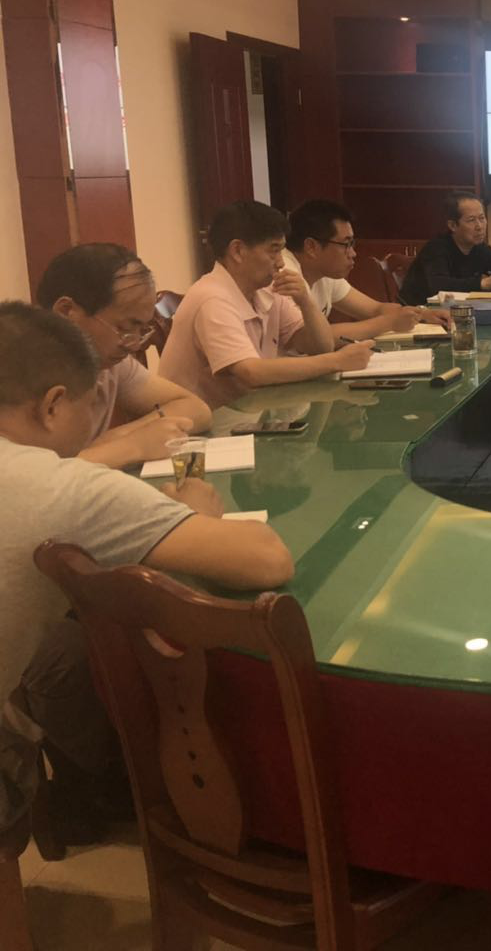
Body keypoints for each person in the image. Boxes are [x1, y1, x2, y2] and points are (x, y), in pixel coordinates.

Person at [0, 302, 293, 838]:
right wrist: (198, 515)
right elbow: (267, 558)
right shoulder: (59, 488)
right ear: (54, 404)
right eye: (91, 407)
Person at [159, 201, 374, 408]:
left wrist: (306, 302)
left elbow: (319, 347)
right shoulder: (212, 298)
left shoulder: (267, 289)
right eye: (273, 250)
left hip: (248, 414)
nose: (280, 262)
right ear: (238, 251)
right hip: (199, 425)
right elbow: (251, 373)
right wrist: (337, 361)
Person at [36, 244, 212, 468]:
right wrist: (133, 446)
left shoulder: (110, 364)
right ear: (66, 312)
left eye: (142, 329)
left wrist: (118, 437)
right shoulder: (18, 376)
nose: (135, 344)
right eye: (125, 327)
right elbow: (28, 477)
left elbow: (196, 408)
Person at [284, 198, 449, 334]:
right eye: (346, 244)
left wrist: (422, 314)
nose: (353, 253)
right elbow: (312, 339)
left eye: (352, 244)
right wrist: (389, 323)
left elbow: (375, 309)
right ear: (311, 247)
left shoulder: (324, 274)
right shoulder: (285, 275)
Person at [399, 191, 491, 305]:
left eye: (482, 218)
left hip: (455, 308)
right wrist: (483, 283)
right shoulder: (436, 248)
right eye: (471, 220)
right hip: (419, 310)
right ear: (452, 225)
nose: (479, 226)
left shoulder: (480, 248)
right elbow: (439, 286)